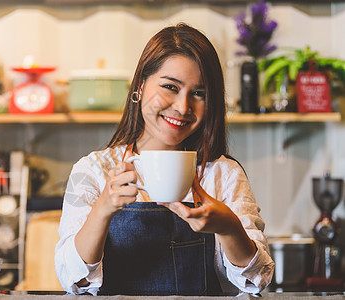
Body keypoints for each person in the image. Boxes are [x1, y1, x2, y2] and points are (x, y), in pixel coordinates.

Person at [55, 23, 274, 296]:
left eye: (199, 93)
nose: (183, 107)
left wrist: (229, 227)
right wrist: (102, 210)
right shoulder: (93, 171)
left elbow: (257, 280)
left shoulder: (224, 175)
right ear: (140, 86)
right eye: (170, 86)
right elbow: (71, 280)